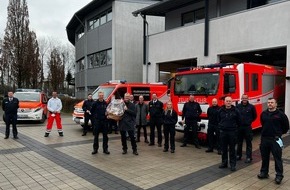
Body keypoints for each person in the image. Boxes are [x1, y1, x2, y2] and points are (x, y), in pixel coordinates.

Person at [257, 97, 289, 184]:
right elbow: (263, 124)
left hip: (275, 140)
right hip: (265, 139)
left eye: (272, 102)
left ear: (276, 104)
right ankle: (264, 172)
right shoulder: (263, 114)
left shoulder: (281, 115)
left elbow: (286, 127)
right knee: (264, 157)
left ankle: (279, 176)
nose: (270, 104)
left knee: (277, 158)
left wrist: (278, 133)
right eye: (268, 102)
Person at [217, 96, 241, 172]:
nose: (228, 102)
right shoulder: (220, 110)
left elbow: (239, 121)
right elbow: (218, 120)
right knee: (223, 149)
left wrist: (235, 129)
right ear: (224, 102)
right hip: (223, 132)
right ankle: (224, 163)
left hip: (232, 132)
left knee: (232, 149)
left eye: (229, 101)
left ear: (232, 102)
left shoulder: (236, 111)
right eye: (227, 101)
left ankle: (233, 165)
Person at [236, 94, 257, 163]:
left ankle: (249, 157)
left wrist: (249, 121)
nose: (244, 99)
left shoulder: (251, 107)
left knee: (248, 142)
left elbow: (255, 116)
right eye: (243, 98)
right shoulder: (238, 106)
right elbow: (236, 115)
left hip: (247, 127)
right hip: (239, 127)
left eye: (246, 98)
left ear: (248, 99)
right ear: (241, 98)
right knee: (239, 142)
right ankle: (238, 155)